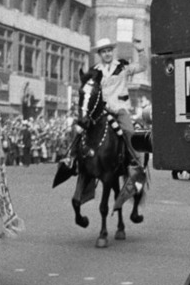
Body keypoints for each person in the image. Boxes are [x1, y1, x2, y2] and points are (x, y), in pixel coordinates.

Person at [56, 37, 148, 185]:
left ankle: (136, 163)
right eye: (103, 52)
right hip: (101, 110)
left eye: (109, 51)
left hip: (120, 108)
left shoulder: (123, 67)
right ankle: (72, 159)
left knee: (129, 131)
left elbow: (142, 66)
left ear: (113, 51)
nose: (107, 54)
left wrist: (140, 50)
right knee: (80, 130)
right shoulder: (94, 71)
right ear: (99, 54)